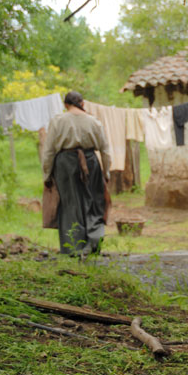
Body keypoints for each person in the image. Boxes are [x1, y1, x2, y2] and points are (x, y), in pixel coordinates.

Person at [42, 91, 111, 255]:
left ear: (66, 105)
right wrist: (106, 172)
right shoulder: (94, 121)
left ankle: (73, 248)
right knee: (94, 202)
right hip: (90, 161)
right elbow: (105, 150)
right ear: (82, 103)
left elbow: (49, 150)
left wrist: (47, 173)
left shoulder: (58, 120)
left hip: (65, 164)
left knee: (69, 204)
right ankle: (92, 245)